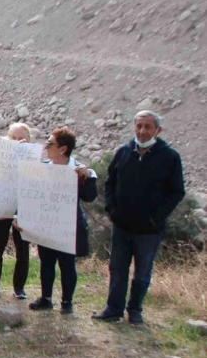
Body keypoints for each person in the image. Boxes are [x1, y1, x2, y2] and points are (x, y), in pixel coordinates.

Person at [93, 111, 185, 325]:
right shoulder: (124, 152)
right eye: (139, 126)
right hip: (122, 225)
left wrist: (156, 218)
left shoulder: (170, 157)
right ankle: (113, 309)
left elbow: (177, 192)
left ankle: (135, 310)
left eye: (148, 127)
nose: (143, 131)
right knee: (117, 268)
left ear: (158, 130)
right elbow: (110, 183)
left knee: (142, 271)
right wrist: (112, 209)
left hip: (149, 230)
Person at [17, 127, 97, 315]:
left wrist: (87, 177)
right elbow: (31, 196)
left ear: (63, 149)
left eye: (50, 144)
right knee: (46, 262)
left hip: (67, 227)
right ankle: (46, 298)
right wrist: (21, 217)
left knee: (67, 264)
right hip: (47, 224)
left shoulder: (79, 171)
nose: (46, 147)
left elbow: (90, 197)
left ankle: (67, 302)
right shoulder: (43, 167)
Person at [0, 123, 33, 299]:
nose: (17, 142)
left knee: (22, 250)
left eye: (21, 138)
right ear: (7, 138)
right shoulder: (0, 156)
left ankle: (19, 288)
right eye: (13, 138)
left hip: (24, 208)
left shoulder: (33, 157)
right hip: (2, 205)